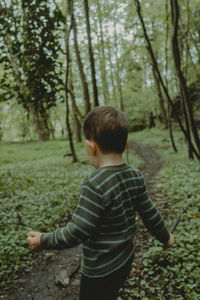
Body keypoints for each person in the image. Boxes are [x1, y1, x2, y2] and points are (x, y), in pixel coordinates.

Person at [27, 106, 174, 300]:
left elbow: (77, 231)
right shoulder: (135, 176)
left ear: (91, 146)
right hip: (124, 260)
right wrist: (166, 237)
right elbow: (150, 213)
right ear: (126, 144)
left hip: (98, 271)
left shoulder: (93, 184)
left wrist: (44, 240)